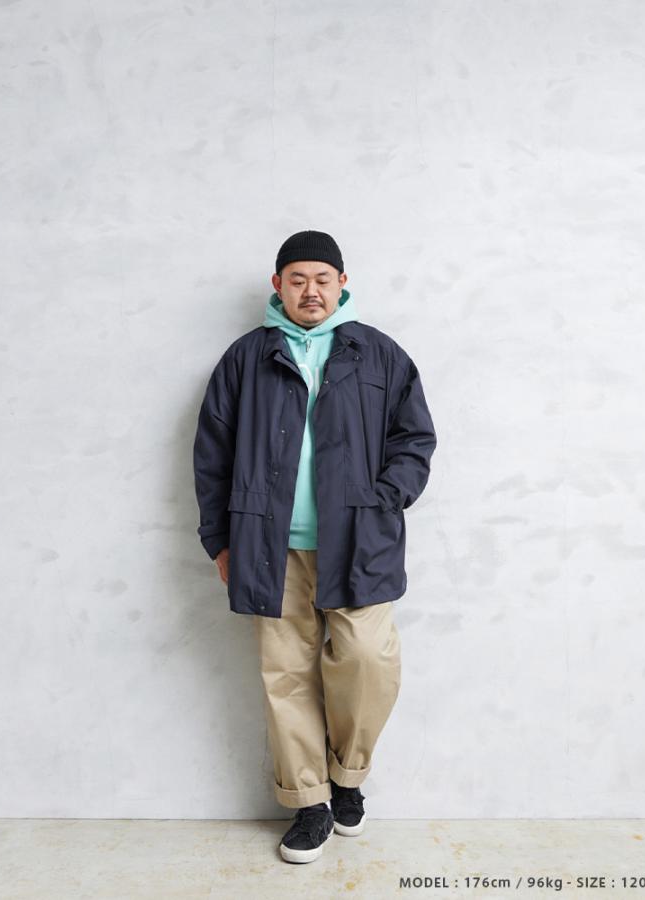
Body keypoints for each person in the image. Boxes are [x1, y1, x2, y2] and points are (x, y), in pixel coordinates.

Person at [192, 230, 437, 864]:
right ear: (278, 286)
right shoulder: (246, 358)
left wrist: (385, 499)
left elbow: (414, 438)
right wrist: (219, 540)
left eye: (322, 279)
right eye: (297, 279)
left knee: (367, 659)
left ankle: (347, 775)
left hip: (359, 539)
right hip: (267, 545)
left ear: (342, 283)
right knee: (286, 675)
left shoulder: (378, 354)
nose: (310, 291)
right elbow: (212, 454)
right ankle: (309, 801)